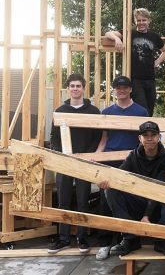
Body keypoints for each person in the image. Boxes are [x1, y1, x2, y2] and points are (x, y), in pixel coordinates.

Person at [98, 121, 165, 257]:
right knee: (111, 189)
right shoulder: (133, 156)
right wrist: (106, 179)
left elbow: (159, 188)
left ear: (159, 137)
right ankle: (130, 239)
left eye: (153, 135)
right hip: (137, 206)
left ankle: (163, 241)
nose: (149, 138)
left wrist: (147, 215)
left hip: (158, 209)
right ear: (139, 138)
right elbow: (119, 175)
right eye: (145, 135)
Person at [93, 75, 148, 260]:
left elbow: (142, 141)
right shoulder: (106, 112)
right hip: (110, 160)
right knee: (105, 201)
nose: (121, 90)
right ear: (114, 90)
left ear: (131, 89)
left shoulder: (141, 112)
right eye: (118, 87)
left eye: (125, 87)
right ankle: (105, 243)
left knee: (130, 199)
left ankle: (129, 240)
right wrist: (97, 156)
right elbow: (104, 138)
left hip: (132, 161)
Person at [48, 73, 102, 254]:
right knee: (63, 201)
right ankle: (63, 239)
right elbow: (54, 137)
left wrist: (91, 155)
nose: (75, 89)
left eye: (78, 86)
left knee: (82, 201)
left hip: (84, 162)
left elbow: (98, 136)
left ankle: (82, 238)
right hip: (65, 162)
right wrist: (60, 153)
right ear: (68, 88)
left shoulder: (93, 111)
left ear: (84, 88)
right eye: (72, 86)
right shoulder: (60, 110)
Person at [105, 8, 165, 117]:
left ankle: (145, 133)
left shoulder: (154, 36)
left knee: (150, 110)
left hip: (150, 78)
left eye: (144, 20)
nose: (141, 23)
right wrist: (117, 39)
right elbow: (108, 33)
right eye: (138, 20)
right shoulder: (130, 34)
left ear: (149, 21)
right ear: (135, 21)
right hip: (135, 79)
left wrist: (156, 62)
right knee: (142, 109)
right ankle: (140, 132)